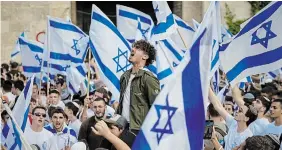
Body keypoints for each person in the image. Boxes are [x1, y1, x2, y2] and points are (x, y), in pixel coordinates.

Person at [117, 40, 160, 134]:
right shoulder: (124, 76)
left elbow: (156, 107)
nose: (133, 49)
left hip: (139, 129)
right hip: (122, 127)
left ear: (145, 56)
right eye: (133, 47)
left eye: (137, 48)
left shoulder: (149, 78)